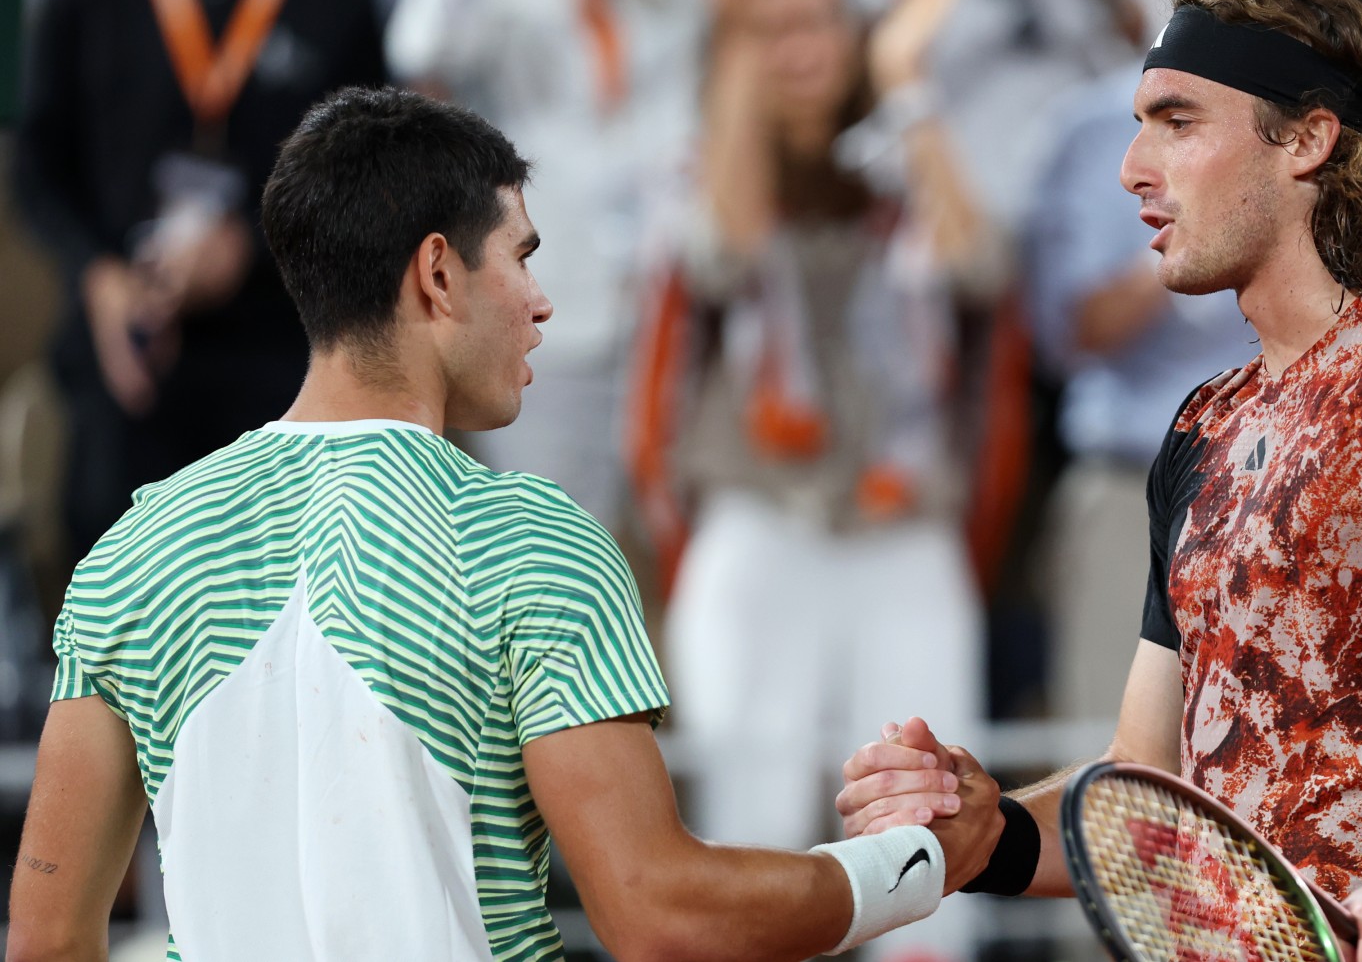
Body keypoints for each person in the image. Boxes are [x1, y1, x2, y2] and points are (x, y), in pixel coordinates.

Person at [9, 87, 1000, 962]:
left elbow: (50, 936)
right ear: (438, 274)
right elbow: (661, 914)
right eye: (521, 257)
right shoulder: (531, 537)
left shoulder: (132, 552)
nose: (541, 303)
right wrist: (918, 861)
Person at [836, 0, 1362, 962]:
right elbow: (1147, 782)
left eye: (1178, 122)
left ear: (1307, 138)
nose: (1134, 166)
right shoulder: (1200, 427)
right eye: (1140, 122)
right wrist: (985, 832)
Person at [629, 0, 1013, 959]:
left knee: (926, 798)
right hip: (761, 519)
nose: (800, 51)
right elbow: (724, 247)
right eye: (775, 30)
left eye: (820, 27)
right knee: (750, 800)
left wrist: (904, 82)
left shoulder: (909, 150)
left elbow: (978, 264)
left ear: (856, 39)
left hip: (903, 526)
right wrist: (739, 72)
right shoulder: (709, 158)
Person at [14, 0, 387, 570]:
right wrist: (99, 275)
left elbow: (370, 183)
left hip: (280, 360)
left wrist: (256, 243)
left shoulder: (337, 2)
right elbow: (38, 170)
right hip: (127, 352)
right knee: (122, 573)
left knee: (273, 592)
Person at [384, 0, 708, 523]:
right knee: (549, 519)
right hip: (548, 303)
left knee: (679, 516)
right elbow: (418, 47)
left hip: (672, 297)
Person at [1026, 0, 1262, 725]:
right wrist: (1192, 234)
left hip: (1296, 479)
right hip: (1135, 484)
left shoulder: (1333, 122)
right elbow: (1067, 333)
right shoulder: (1096, 124)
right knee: (1116, 771)